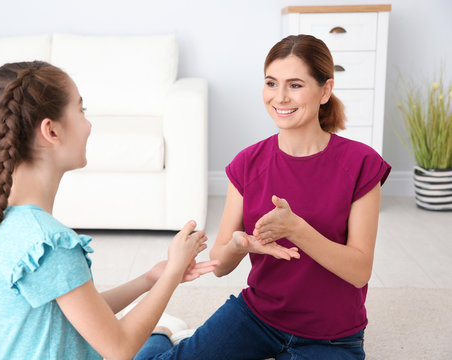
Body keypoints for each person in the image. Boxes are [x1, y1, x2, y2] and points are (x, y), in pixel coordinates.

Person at [132, 34, 391, 360]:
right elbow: (221, 265)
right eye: (271, 83)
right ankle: (161, 333)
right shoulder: (247, 164)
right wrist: (239, 245)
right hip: (257, 318)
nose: (280, 97)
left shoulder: (360, 163)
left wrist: (296, 229)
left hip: (330, 338)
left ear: (325, 90)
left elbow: (359, 271)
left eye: (295, 85)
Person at [0, 61, 221, 360]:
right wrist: (174, 272)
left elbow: (76, 314)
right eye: (81, 110)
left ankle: (160, 332)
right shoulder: (48, 244)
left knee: (153, 339)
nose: (88, 124)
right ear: (52, 130)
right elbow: (119, 347)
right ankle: (161, 334)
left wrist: (151, 279)